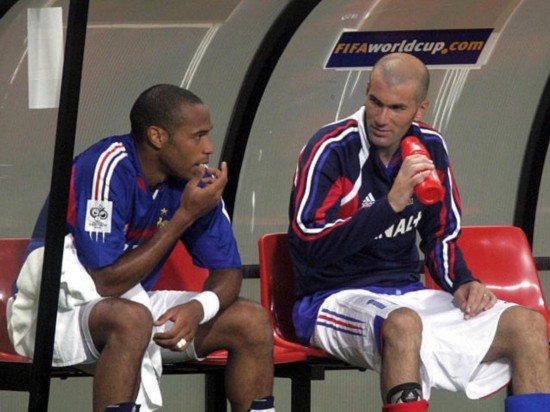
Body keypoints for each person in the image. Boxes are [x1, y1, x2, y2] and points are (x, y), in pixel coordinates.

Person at [288, 52, 550, 412]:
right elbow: (308, 247)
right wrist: (390, 206)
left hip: (407, 292)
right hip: (331, 297)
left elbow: (440, 232)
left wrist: (462, 282)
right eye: (376, 102)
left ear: (420, 109)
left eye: (397, 108)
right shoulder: (330, 148)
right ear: (366, 93)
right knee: (403, 325)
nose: (382, 118)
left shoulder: (431, 146)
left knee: (527, 326)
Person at [8, 84, 276, 412]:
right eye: (198, 136)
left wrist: (198, 309)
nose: (208, 148)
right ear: (157, 137)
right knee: (132, 319)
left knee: (250, 319)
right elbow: (104, 283)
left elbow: (228, 271)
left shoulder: (193, 181)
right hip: (52, 313)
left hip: (132, 310)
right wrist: (184, 216)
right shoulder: (106, 167)